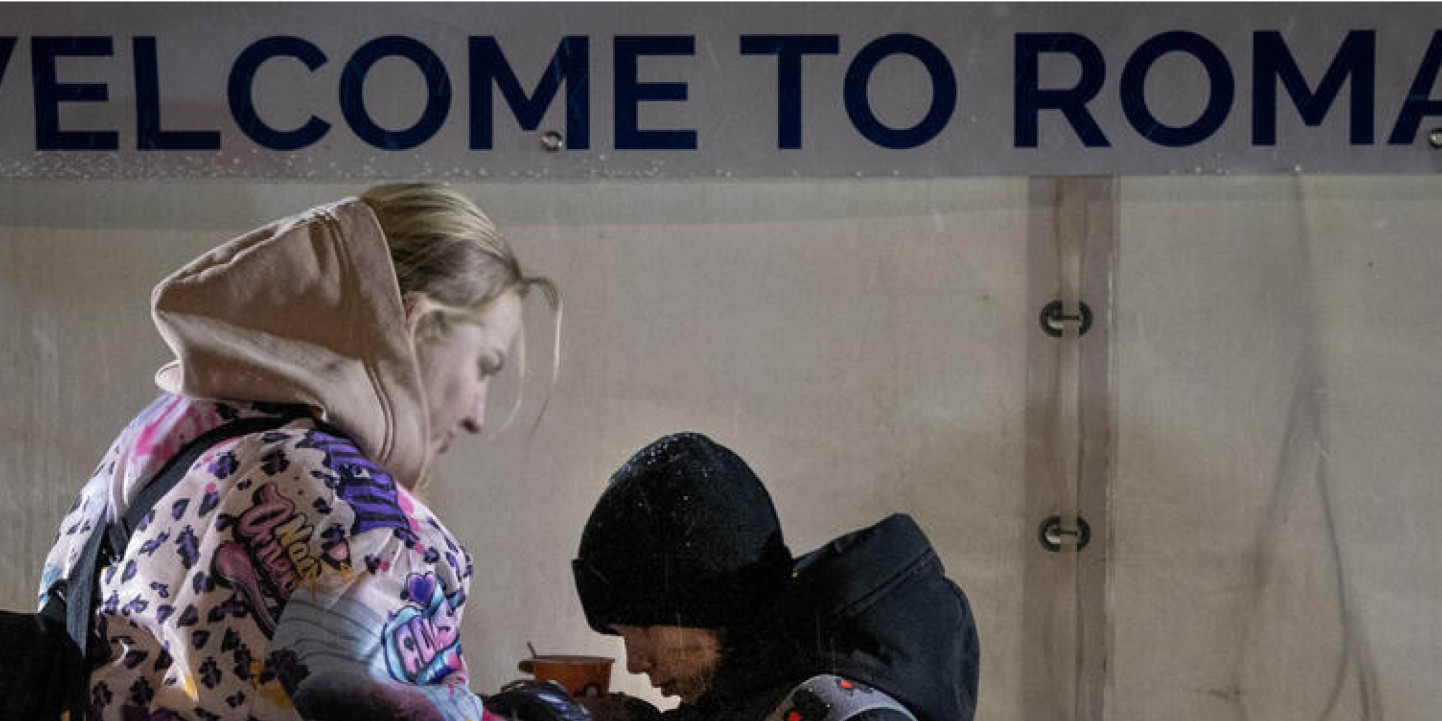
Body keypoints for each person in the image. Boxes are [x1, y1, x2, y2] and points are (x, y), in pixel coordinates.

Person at [35, 184, 575, 720]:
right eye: (483, 366)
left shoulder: (165, 434)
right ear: (414, 325)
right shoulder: (360, 520)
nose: (478, 413)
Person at [572, 432, 980, 721]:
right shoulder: (762, 682)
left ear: (703, 603)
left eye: (639, 628)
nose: (635, 661)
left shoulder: (838, 712)